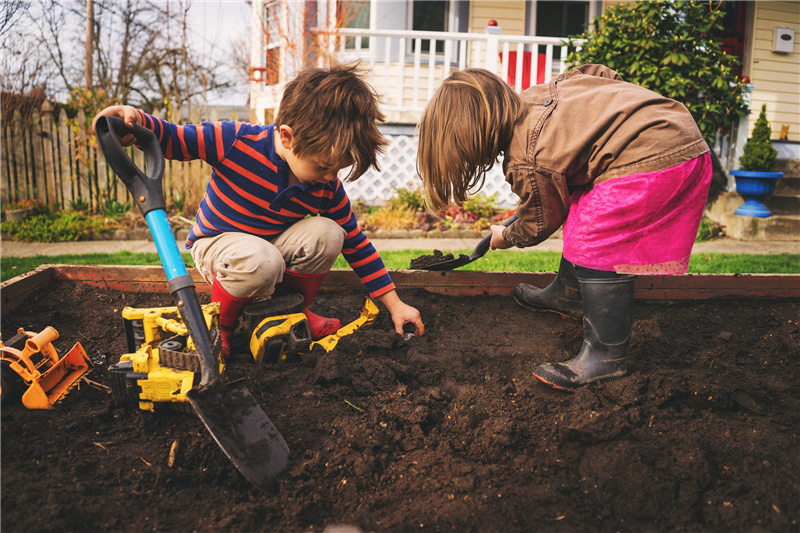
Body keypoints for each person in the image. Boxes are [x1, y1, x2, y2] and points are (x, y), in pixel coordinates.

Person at [93, 62, 424, 359]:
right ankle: (218, 328)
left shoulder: (326, 188)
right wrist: (133, 123)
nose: (329, 177)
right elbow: (174, 139)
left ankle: (288, 312)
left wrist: (395, 304)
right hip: (218, 247)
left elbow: (355, 242)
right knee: (261, 259)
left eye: (336, 170)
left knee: (329, 233)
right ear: (287, 136)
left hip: (270, 255)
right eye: (324, 166)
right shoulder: (236, 141)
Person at [417, 64, 712, 391]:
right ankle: (568, 295)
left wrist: (507, 235)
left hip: (657, 155)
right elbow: (599, 73)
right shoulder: (540, 97)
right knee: (583, 207)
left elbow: (540, 222)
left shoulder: (527, 154)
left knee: (595, 238)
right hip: (675, 132)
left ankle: (606, 356)